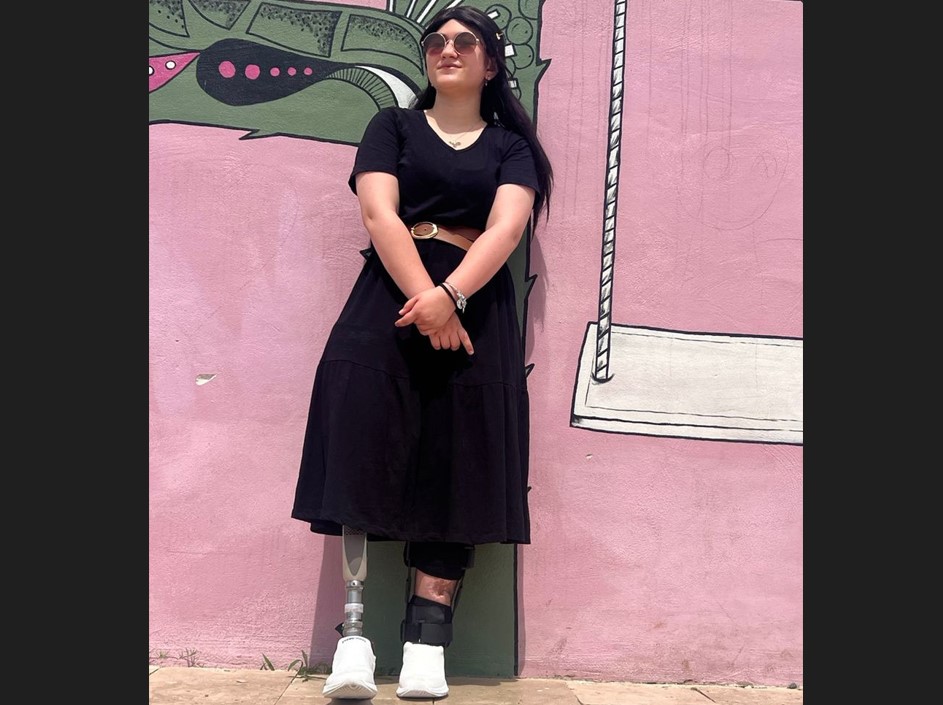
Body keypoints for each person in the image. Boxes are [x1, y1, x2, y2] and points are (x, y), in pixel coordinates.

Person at [291, 4, 553, 700]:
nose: (447, 49)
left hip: (476, 309)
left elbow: (505, 229)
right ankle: (353, 639)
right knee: (362, 446)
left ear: (491, 63)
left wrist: (453, 296)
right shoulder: (393, 127)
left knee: (457, 462)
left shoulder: (511, 147)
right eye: (435, 40)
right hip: (389, 300)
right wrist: (427, 300)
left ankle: (426, 643)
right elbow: (379, 212)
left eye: (464, 41)